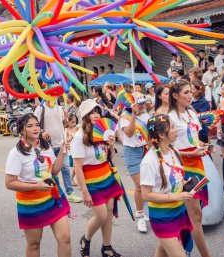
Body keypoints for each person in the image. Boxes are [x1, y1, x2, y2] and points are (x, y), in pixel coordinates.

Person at [5, 113, 71, 257]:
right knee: (34, 244)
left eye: (37, 125)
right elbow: (9, 183)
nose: (35, 128)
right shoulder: (16, 153)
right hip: (30, 203)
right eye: (30, 126)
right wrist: (36, 186)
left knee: (65, 238)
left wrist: (62, 152)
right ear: (21, 130)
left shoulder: (45, 146)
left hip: (53, 198)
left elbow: (54, 170)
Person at [71, 99, 124, 257]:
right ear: (85, 115)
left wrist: (112, 145)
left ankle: (107, 248)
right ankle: (85, 239)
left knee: (108, 214)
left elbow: (110, 158)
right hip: (91, 180)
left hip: (106, 176)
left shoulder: (102, 130)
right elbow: (78, 168)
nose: (96, 115)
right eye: (92, 112)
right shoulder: (79, 137)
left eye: (98, 112)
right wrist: (85, 192)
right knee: (100, 215)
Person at [168, 81, 212, 257]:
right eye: (186, 92)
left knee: (191, 214)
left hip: (198, 166)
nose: (190, 95)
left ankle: (181, 248)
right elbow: (167, 150)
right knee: (195, 217)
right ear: (175, 96)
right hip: (183, 168)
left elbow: (193, 139)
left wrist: (203, 145)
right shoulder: (170, 117)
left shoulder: (192, 113)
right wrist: (190, 155)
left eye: (191, 92)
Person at [140, 114, 193, 257]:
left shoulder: (172, 151)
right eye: (173, 127)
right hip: (163, 217)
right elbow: (146, 195)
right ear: (162, 135)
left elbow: (173, 177)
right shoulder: (149, 161)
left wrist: (183, 184)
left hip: (178, 211)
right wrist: (176, 195)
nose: (176, 130)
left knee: (162, 250)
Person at [34, 100, 81, 203]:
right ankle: (54, 192)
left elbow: (64, 124)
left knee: (66, 169)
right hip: (47, 146)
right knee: (51, 172)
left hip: (61, 144)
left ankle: (70, 193)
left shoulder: (59, 108)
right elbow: (35, 125)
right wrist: (42, 132)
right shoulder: (40, 109)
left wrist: (66, 117)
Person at [119, 98, 150, 232]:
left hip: (146, 150)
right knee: (139, 186)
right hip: (132, 152)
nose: (142, 105)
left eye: (143, 103)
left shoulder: (147, 116)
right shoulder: (124, 117)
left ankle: (146, 210)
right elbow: (129, 133)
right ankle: (140, 216)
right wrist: (133, 115)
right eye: (139, 103)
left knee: (149, 184)